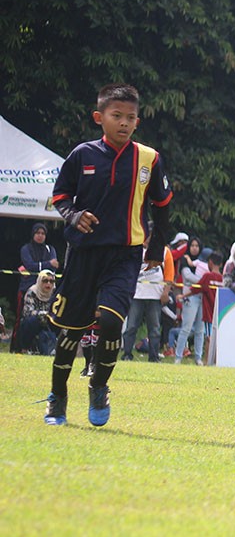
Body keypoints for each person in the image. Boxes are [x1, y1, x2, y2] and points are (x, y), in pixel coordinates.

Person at [41, 82, 172, 426]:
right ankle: (58, 397)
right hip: (83, 254)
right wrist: (73, 214)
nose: (124, 122)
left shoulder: (149, 159)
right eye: (117, 116)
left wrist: (157, 247)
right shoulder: (82, 154)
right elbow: (60, 196)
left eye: (131, 117)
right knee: (70, 331)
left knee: (113, 321)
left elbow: (163, 206)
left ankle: (99, 387)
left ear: (137, 121)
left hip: (125, 256)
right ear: (100, 117)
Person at [121, 237, 175, 362]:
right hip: (137, 294)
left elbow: (169, 275)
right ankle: (127, 354)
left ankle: (154, 357)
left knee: (155, 329)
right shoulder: (135, 249)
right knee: (131, 327)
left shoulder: (165, 251)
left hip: (155, 295)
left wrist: (165, 293)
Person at [173, 235, 206, 364]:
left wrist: (204, 283)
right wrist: (204, 281)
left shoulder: (203, 261)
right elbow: (187, 276)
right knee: (186, 328)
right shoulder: (185, 260)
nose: (194, 248)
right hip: (189, 297)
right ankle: (178, 357)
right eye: (192, 245)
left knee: (200, 330)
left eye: (197, 246)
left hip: (202, 297)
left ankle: (198, 357)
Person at [19, 270, 58, 354]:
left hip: (50, 321)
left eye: (51, 281)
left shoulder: (55, 293)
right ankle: (25, 349)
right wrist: (43, 314)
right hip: (36, 321)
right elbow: (27, 312)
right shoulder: (32, 292)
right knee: (29, 322)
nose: (48, 284)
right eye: (45, 281)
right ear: (40, 281)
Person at [196, 251, 224, 366]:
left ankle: (208, 361)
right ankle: (217, 361)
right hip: (221, 313)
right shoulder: (223, 278)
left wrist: (183, 296)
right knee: (218, 338)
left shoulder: (207, 276)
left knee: (209, 338)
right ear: (221, 264)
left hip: (209, 313)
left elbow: (196, 288)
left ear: (210, 262)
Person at [19, 222, 59, 294]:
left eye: (43, 233)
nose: (40, 235)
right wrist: (48, 263)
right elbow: (30, 265)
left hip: (46, 290)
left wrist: (38, 266)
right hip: (28, 288)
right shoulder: (26, 248)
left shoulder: (50, 249)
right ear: (33, 234)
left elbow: (53, 267)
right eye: (37, 233)